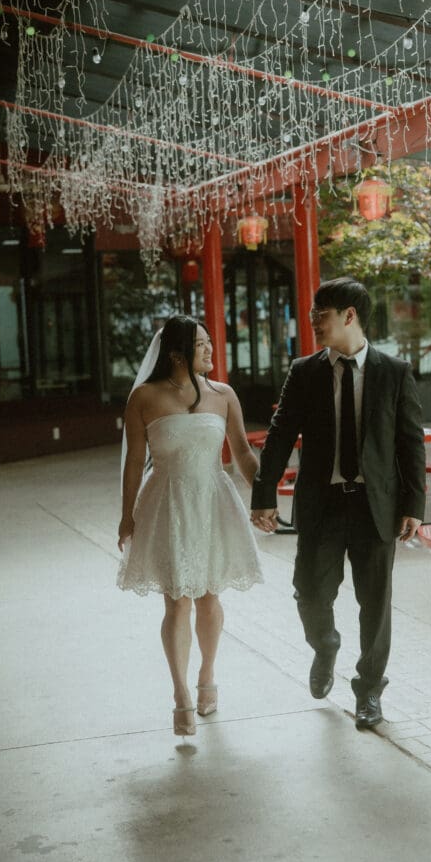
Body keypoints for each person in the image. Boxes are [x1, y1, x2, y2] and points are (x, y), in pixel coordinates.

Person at [250, 278, 425, 731]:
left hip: (376, 506)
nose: (313, 321)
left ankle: (369, 690)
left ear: (350, 316)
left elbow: (411, 444)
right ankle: (325, 645)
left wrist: (414, 505)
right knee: (309, 593)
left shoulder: (393, 371)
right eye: (312, 313)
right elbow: (280, 435)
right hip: (322, 504)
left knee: (376, 605)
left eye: (321, 314)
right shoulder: (304, 372)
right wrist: (264, 494)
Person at [118, 314, 263, 737]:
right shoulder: (143, 397)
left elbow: (242, 454)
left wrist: (267, 497)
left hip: (213, 502)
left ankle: (207, 674)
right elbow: (133, 464)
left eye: (210, 343)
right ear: (177, 354)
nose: (210, 350)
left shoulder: (224, 396)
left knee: (209, 596)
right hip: (167, 503)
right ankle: (180, 693)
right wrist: (127, 515)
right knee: (177, 600)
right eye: (201, 345)